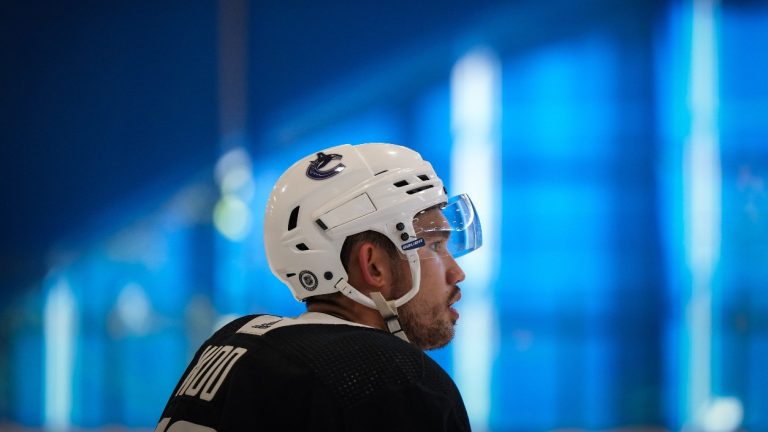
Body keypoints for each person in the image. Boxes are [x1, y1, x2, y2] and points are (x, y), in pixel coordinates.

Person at [155, 143, 482, 431]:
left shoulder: (234, 344)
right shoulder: (393, 380)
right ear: (374, 266)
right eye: (435, 247)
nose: (456, 273)